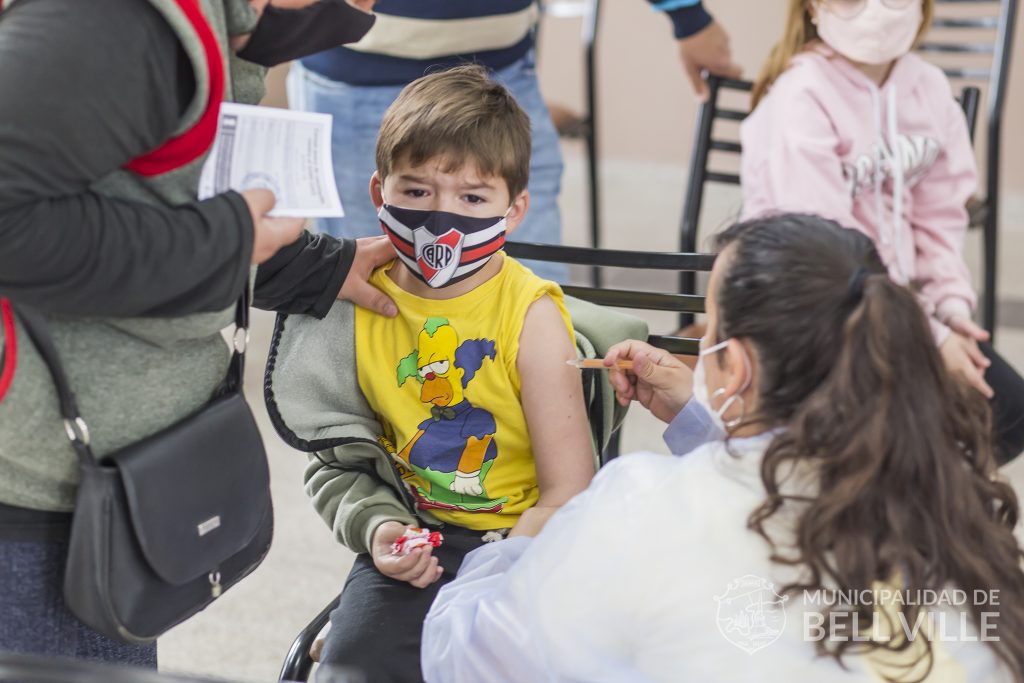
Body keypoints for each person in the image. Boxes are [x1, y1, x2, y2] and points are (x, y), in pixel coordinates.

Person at [421, 213, 1024, 682]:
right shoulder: (947, 501)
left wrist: (520, 544)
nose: (698, 341)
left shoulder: (638, 512)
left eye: (706, 328)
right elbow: (777, 490)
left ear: (732, 366)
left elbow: (469, 656)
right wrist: (703, 418)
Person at [0, 0, 395, 667]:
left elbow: (140, 199)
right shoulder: (121, 24)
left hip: (103, 475)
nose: (364, 10)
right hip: (37, 497)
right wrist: (227, 238)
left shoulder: (204, 29)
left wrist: (306, 266)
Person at [264, 65, 629, 683]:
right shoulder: (353, 303)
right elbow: (340, 464)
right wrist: (379, 528)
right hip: (416, 534)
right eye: (417, 192)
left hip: (525, 543)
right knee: (349, 671)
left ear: (513, 212)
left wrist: (486, 585)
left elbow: (568, 489)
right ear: (379, 194)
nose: (442, 217)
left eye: (472, 198)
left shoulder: (531, 317)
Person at [740, 0, 1024, 463]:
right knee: (896, 435)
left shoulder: (929, 89)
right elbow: (828, 255)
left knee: (1008, 414)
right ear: (813, 6)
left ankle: (916, 512)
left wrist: (951, 310)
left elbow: (939, 216)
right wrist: (931, 337)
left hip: (899, 306)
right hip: (814, 312)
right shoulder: (800, 95)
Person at [286, 0, 741, 280]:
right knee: (369, 285)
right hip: (353, 81)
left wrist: (687, 16)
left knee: (532, 280)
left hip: (502, 73)